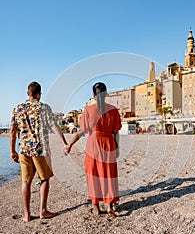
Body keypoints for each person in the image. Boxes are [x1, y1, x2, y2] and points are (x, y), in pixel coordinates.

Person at [10, 81, 68, 222]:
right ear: (39, 94)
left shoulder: (17, 109)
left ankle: (26, 214)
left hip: (24, 149)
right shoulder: (44, 108)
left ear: (28, 93)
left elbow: (12, 131)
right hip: (40, 150)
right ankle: (43, 211)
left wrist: (12, 151)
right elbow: (53, 126)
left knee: (26, 181)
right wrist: (64, 143)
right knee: (44, 179)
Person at [64, 82, 122, 217]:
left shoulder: (88, 110)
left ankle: (95, 206)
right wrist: (117, 147)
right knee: (108, 175)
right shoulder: (113, 110)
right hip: (108, 144)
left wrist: (70, 145)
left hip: (93, 145)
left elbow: (81, 132)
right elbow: (116, 132)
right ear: (106, 94)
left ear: (93, 95)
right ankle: (109, 206)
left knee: (93, 174)